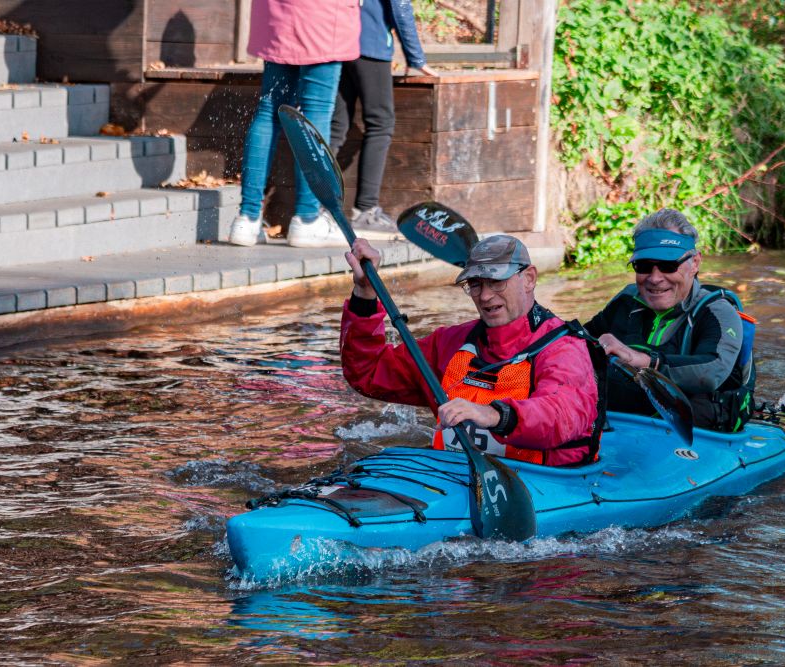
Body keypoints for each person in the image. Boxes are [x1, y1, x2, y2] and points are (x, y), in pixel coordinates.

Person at [341, 235, 601, 466]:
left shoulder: (564, 347)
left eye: (496, 282)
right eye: (475, 284)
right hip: (454, 480)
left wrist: (493, 414)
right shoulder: (450, 343)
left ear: (529, 279)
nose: (485, 296)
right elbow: (369, 373)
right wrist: (365, 292)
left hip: (544, 485)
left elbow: (562, 415)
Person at [583, 208, 756, 432]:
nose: (655, 278)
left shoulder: (718, 312)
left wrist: (642, 360)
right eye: (644, 266)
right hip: (626, 423)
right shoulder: (626, 300)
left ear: (695, 263)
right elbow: (579, 340)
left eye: (668, 266)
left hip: (696, 431)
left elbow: (711, 371)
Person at [228, 0, 358, 248]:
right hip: (323, 17)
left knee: (268, 110)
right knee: (316, 111)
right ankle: (307, 218)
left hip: (278, 15)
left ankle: (247, 218)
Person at [330, 0, 437, 232]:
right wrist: (416, 57)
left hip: (336, 43)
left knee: (336, 127)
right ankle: (366, 210)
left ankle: (315, 209)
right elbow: (400, 6)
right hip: (370, 42)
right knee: (380, 124)